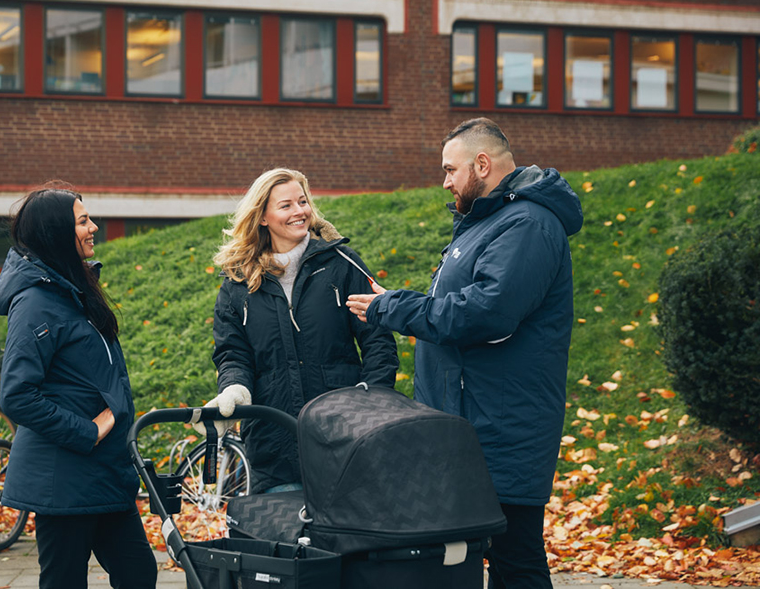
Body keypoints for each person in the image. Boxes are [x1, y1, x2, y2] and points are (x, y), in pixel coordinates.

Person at [346, 118, 583, 588]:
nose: (446, 181)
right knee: (470, 559)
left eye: (451, 170)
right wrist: (402, 302)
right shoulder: (488, 223)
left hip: (502, 427)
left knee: (516, 559)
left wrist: (393, 307)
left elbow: (486, 314)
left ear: (482, 164)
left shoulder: (528, 224)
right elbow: (456, 308)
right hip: (472, 423)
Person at [0, 183, 157, 589]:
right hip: (63, 480)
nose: (94, 227)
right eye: (83, 221)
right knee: (65, 581)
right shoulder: (35, 302)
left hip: (103, 474)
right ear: (55, 232)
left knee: (139, 573)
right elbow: (16, 394)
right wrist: (88, 430)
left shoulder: (72, 291)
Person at [206, 167, 399, 494]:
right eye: (286, 205)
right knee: (285, 539)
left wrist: (370, 401)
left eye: (303, 201)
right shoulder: (237, 283)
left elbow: (378, 339)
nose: (300, 212)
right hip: (274, 444)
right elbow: (233, 354)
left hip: (344, 436)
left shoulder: (341, 263)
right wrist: (235, 390)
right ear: (263, 217)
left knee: (348, 540)